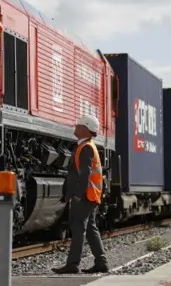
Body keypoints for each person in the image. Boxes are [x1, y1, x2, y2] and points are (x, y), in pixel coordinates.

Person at [52, 115, 109, 274]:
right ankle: (101, 262)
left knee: (78, 229)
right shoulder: (86, 146)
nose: (75, 127)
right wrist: (67, 193)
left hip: (85, 196)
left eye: (78, 125)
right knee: (90, 229)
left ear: (85, 129)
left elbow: (85, 174)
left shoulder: (86, 148)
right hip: (88, 195)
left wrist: (78, 194)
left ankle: (73, 264)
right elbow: (75, 173)